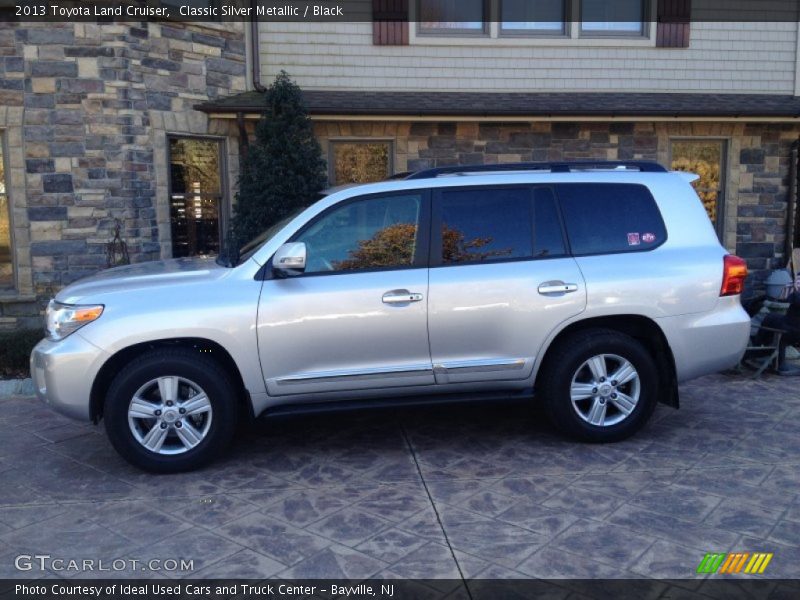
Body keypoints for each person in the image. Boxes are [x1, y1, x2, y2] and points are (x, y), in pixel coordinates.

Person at [761, 288, 800, 375]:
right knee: (781, 340)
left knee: (782, 338)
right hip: (788, 325)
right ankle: (779, 363)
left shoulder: (794, 297)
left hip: (791, 324)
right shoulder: (795, 298)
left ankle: (779, 362)